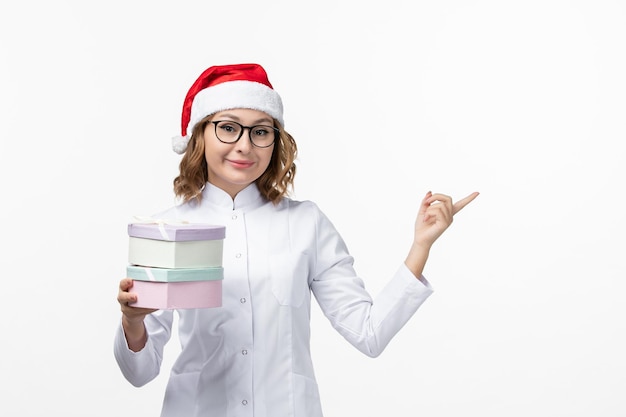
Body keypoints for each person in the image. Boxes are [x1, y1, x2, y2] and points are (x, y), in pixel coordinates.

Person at [114, 63, 479, 417]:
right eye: (228, 128)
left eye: (260, 131)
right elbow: (140, 372)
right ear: (200, 135)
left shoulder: (306, 224)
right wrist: (132, 321)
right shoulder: (168, 230)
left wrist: (421, 245)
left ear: (275, 141)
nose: (245, 145)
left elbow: (369, 333)